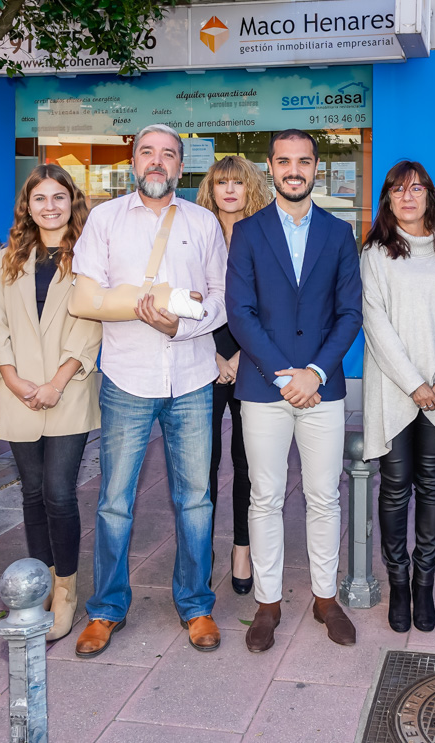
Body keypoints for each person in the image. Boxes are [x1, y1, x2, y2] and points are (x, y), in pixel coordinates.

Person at [71, 124, 228, 657]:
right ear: (132, 161)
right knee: (114, 501)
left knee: (195, 500)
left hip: (189, 377)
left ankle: (196, 603)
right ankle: (106, 608)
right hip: (126, 378)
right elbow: (86, 294)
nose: (157, 162)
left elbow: (220, 298)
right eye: (148, 153)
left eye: (168, 155)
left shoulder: (204, 223)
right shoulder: (104, 219)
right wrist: (135, 303)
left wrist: (177, 325)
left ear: (182, 167)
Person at [227, 128, 363, 653]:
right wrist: (285, 374)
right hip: (265, 389)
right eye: (284, 161)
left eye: (304, 161)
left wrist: (316, 373)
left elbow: (350, 312)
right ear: (271, 166)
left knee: (324, 497)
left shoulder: (338, 232)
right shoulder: (249, 232)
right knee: (264, 498)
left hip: (322, 390)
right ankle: (267, 603)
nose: (294, 170)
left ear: (316, 167)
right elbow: (241, 312)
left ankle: (326, 599)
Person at [0, 165, 102, 641]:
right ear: (26, 206)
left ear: (71, 202)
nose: (49, 206)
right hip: (18, 392)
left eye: (58, 197)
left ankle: (67, 590)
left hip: (68, 389)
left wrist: (56, 381)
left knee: (58, 492)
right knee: (31, 493)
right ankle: (40, 583)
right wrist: (12, 379)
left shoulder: (89, 254)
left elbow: (91, 322)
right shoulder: (9, 256)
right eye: (40, 199)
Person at [361, 162, 435, 633]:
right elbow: (376, 325)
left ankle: (424, 585)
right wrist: (415, 384)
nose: (407, 197)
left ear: (431, 197)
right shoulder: (374, 255)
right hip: (394, 387)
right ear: (387, 200)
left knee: (432, 482)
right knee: (394, 487)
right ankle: (399, 582)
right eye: (397, 190)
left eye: (417, 188)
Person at [195, 155, 272, 595]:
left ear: (250, 188)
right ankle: (199, 549)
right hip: (203, 356)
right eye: (220, 182)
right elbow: (186, 301)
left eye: (237, 183)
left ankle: (242, 547)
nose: (229, 190)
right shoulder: (196, 233)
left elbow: (271, 303)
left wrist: (243, 354)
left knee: (248, 462)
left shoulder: (263, 234)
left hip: (253, 359)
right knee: (202, 463)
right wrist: (214, 356)